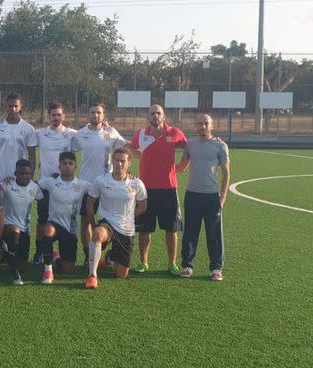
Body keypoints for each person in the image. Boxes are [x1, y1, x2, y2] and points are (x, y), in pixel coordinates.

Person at [70, 103, 131, 261]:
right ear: (88, 115)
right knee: (86, 221)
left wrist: (128, 170)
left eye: (99, 113)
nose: (95, 115)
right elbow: (68, 149)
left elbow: (125, 150)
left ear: (104, 116)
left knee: (111, 221)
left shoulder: (111, 132)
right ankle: (87, 255)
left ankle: (109, 254)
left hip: (108, 185)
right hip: (86, 185)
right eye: (92, 112)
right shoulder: (80, 134)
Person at [131, 104, 187, 275]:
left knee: (171, 229)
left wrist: (180, 167)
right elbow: (132, 148)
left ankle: (172, 264)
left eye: (158, 113)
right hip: (145, 190)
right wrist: (141, 156)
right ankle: (144, 262)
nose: (155, 116)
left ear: (164, 116)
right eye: (152, 113)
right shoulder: (140, 134)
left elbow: (189, 149)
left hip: (169, 189)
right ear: (148, 116)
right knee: (144, 229)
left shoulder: (174, 132)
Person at [176, 113, 230, 281]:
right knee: (190, 232)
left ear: (212, 126)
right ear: (195, 126)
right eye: (200, 124)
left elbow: (226, 174)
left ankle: (216, 268)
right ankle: (187, 265)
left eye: (206, 124)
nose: (203, 127)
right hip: (192, 195)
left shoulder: (220, 146)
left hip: (211, 197)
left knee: (213, 234)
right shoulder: (190, 144)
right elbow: (181, 167)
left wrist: (222, 198)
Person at [83, 148, 147, 289]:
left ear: (129, 163)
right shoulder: (101, 180)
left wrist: (130, 216)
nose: (119, 164)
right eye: (116, 160)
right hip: (107, 224)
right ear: (112, 161)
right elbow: (90, 202)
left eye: (123, 161)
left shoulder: (137, 184)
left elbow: (143, 206)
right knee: (98, 234)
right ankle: (92, 275)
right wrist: (93, 221)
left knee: (121, 274)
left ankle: (109, 259)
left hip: (126, 228)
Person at [36, 151, 92, 284]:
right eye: (64, 163)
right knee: (48, 230)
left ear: (75, 167)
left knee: (68, 269)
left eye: (70, 163)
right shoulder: (50, 182)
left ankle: (55, 258)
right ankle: (48, 270)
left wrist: (129, 177)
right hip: (54, 224)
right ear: (59, 166)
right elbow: (31, 184)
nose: (67, 166)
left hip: (70, 230)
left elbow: (101, 188)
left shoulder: (83, 185)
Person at [0, 159, 43, 285]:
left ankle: (5, 253)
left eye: (27, 173)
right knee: (14, 232)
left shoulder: (34, 188)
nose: (24, 176)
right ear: (15, 173)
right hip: (8, 227)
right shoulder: (7, 185)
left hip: (25, 230)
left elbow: (43, 202)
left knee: (22, 267)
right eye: (21, 173)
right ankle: (15, 276)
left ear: (31, 174)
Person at [0, 93, 37, 183]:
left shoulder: (29, 129)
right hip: (1, 175)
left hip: (21, 176)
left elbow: (32, 156)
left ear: (20, 107)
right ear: (5, 107)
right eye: (10, 106)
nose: (13, 109)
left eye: (16, 106)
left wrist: (30, 177)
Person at [35, 102, 76, 180]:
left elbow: (91, 133)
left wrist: (105, 126)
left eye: (59, 115)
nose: (56, 118)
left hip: (64, 181)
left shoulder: (72, 134)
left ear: (63, 116)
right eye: (53, 115)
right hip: (45, 181)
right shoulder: (39, 134)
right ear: (48, 117)